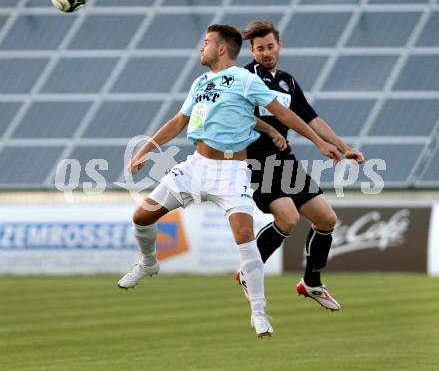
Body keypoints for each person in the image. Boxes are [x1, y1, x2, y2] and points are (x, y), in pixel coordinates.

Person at [117, 24, 341, 338]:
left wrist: (320, 142)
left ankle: (259, 313)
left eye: (206, 43)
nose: (201, 48)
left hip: (232, 172)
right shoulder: (200, 82)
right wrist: (145, 150)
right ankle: (149, 262)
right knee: (141, 216)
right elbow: (179, 121)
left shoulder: (246, 80)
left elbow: (286, 114)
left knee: (245, 236)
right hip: (196, 167)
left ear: (221, 49)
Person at [236, 21, 364, 311]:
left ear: (279, 46)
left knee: (326, 219)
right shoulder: (244, 77)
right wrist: (269, 131)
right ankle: (248, 269)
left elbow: (312, 119)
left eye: (270, 47)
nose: (266, 53)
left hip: (285, 162)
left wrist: (344, 148)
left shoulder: (287, 82)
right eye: (260, 49)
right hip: (256, 161)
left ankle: (312, 282)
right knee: (288, 219)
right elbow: (236, 115)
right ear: (252, 50)